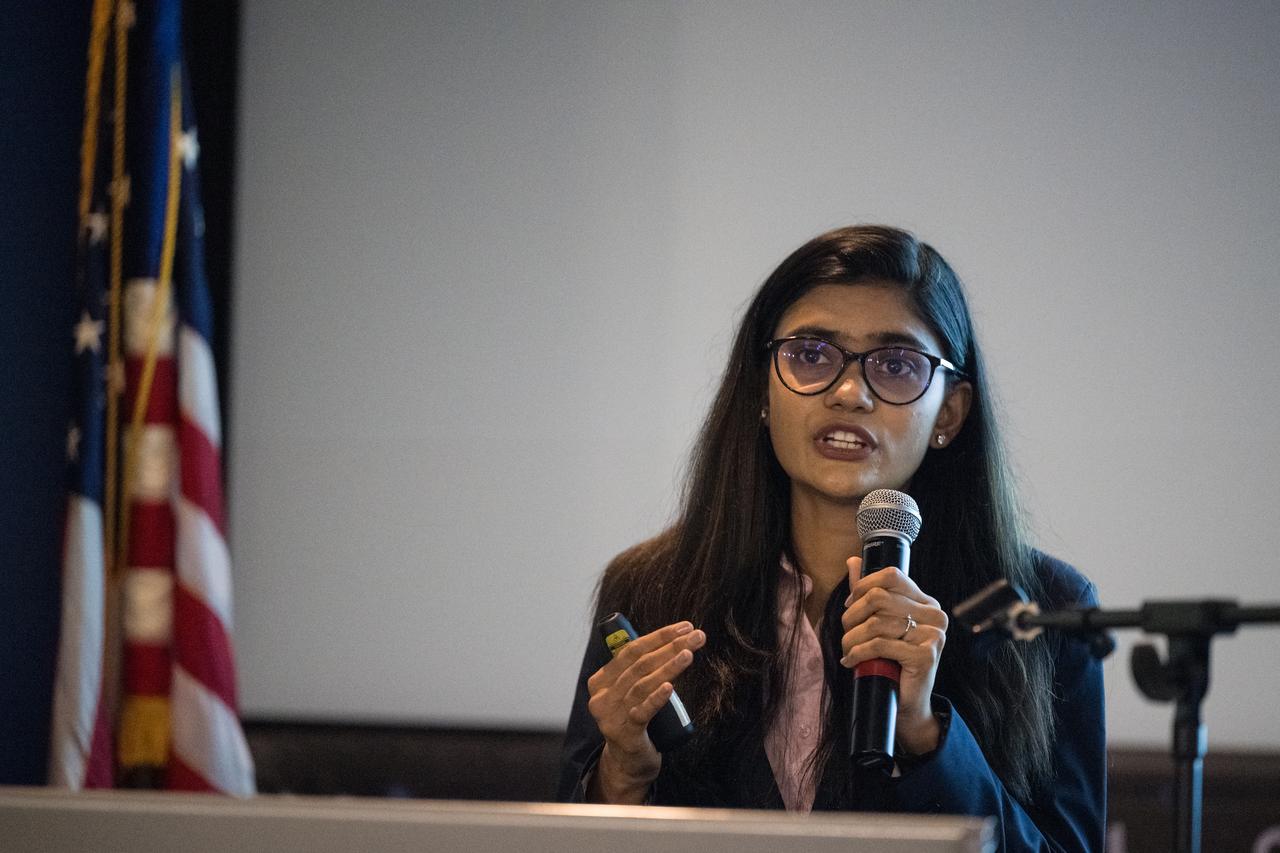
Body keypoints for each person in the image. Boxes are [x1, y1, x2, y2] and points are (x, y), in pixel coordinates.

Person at [556, 225, 1105, 851]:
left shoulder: (1039, 610)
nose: (849, 393)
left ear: (948, 414)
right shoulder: (649, 588)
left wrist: (928, 737)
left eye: (896, 365)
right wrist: (621, 775)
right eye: (811, 355)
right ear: (761, 390)